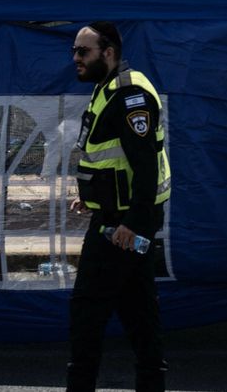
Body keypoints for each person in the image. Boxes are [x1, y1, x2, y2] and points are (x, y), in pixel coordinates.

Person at [66, 22, 171, 392]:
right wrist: (93, 194)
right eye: (75, 51)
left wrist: (133, 224)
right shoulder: (107, 88)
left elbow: (144, 166)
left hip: (121, 226)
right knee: (139, 310)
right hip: (119, 217)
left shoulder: (130, 96)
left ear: (108, 52)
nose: (76, 58)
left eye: (83, 51)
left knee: (87, 311)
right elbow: (113, 159)